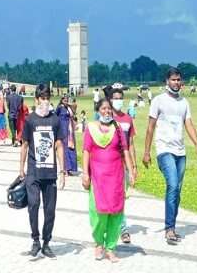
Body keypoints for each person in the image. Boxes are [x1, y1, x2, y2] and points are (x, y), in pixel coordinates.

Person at [143, 67, 197, 245]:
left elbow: (189, 123)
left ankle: (172, 226)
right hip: (164, 150)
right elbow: (150, 127)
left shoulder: (184, 102)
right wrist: (146, 152)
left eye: (178, 80)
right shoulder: (158, 101)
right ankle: (169, 228)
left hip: (181, 152)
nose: (176, 83)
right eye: (173, 80)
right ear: (167, 81)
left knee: (177, 191)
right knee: (173, 184)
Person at [82, 98, 136, 262]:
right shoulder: (90, 128)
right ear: (98, 110)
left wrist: (131, 170)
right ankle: (99, 243)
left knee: (116, 212)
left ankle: (111, 247)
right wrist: (85, 173)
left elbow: (125, 150)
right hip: (98, 177)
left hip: (116, 176)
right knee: (98, 212)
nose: (107, 111)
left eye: (109, 109)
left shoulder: (117, 128)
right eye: (103, 109)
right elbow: (86, 151)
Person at [19, 84, 66, 258]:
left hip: (50, 173)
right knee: (33, 205)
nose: (45, 101)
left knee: (50, 210)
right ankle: (35, 240)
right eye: (43, 98)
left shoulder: (55, 120)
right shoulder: (30, 120)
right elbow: (24, 145)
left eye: (48, 98)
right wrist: (21, 168)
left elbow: (59, 145)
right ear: (37, 99)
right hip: (33, 171)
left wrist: (63, 171)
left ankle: (46, 242)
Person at [107, 87, 137, 243]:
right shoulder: (106, 117)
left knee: (121, 197)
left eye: (120, 98)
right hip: (109, 165)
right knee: (111, 197)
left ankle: (122, 228)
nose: (118, 101)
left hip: (124, 164)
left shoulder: (127, 119)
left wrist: (134, 166)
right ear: (110, 100)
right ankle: (117, 226)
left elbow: (131, 144)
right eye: (115, 98)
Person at [56, 96, 78, 175]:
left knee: (70, 148)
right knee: (64, 148)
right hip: (63, 130)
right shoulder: (59, 108)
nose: (65, 101)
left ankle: (70, 169)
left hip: (70, 131)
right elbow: (55, 117)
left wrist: (69, 105)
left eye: (67, 100)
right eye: (64, 100)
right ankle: (65, 169)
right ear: (61, 100)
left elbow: (75, 111)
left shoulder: (69, 108)